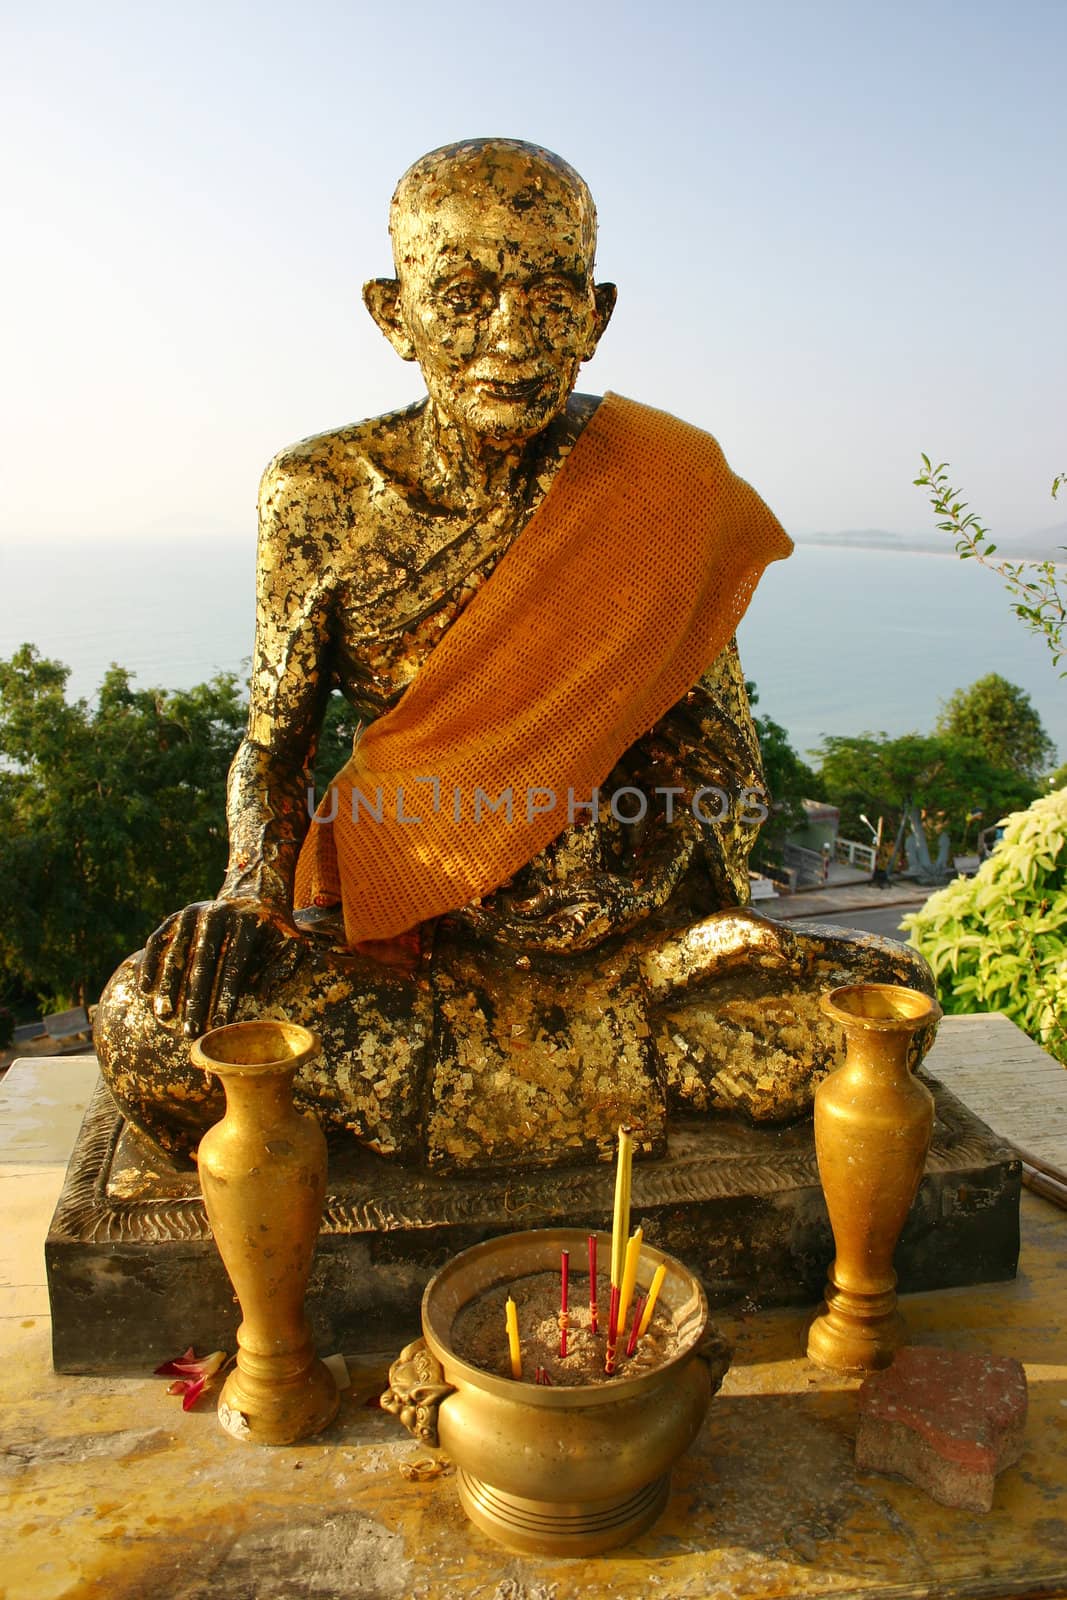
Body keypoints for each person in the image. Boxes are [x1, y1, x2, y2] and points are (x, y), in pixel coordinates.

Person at [95, 138, 934, 1169]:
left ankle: (510, 1065)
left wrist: (649, 902)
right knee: (148, 1024)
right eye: (462, 294)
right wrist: (245, 892)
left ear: (596, 311)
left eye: (549, 294)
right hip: (409, 939)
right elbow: (275, 749)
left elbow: (718, 761)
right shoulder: (317, 494)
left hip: (627, 938)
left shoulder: (661, 480)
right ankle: (605, 1065)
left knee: (884, 1004)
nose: (512, 338)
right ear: (391, 314)